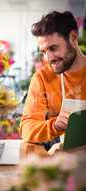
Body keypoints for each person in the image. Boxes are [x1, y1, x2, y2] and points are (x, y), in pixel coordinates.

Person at [20, 10, 86, 149]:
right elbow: (27, 129)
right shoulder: (42, 78)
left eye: (53, 48)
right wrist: (55, 125)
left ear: (73, 38)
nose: (48, 58)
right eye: (44, 52)